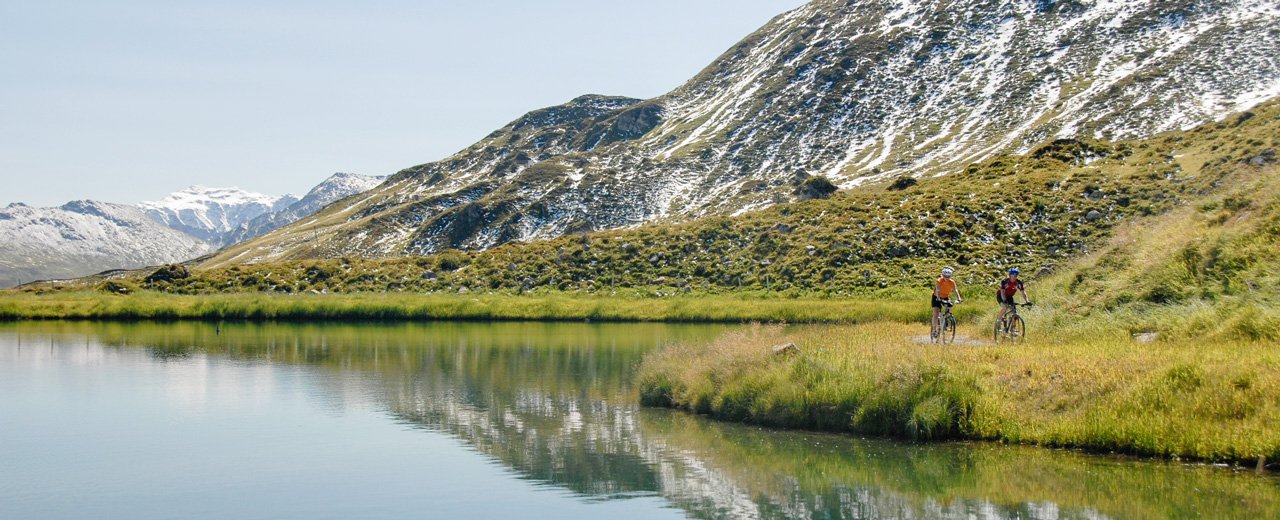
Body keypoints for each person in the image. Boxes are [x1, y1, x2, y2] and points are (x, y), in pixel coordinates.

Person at [932, 266, 963, 335]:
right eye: (945, 276)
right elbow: (938, 290)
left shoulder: (952, 282)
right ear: (942, 275)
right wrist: (938, 298)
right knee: (936, 313)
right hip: (936, 296)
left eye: (948, 276)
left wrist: (959, 298)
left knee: (949, 308)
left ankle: (946, 323)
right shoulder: (939, 280)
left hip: (945, 296)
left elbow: (955, 290)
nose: (946, 278)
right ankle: (934, 330)